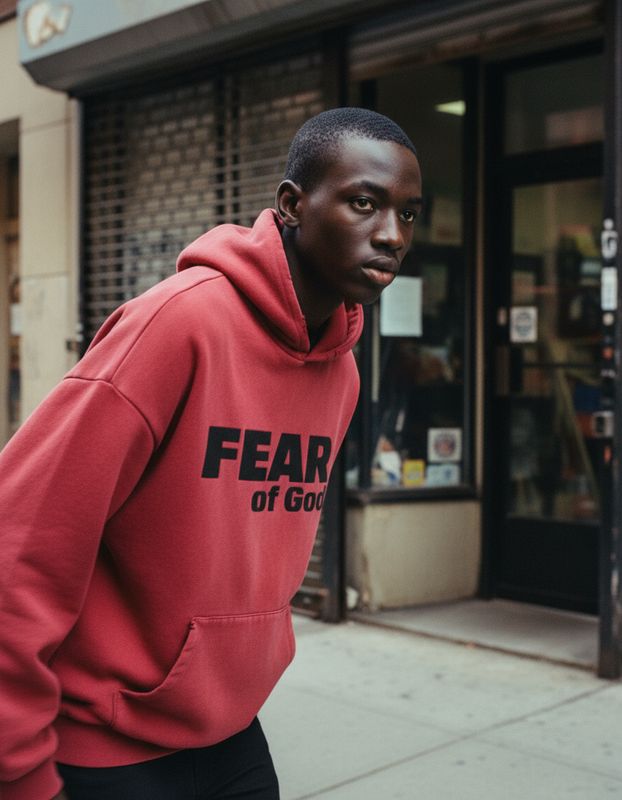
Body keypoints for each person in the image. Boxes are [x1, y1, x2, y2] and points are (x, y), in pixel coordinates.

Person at [0, 107, 422, 800]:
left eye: (409, 214)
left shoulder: (341, 370)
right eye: (364, 203)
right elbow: (22, 545)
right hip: (104, 740)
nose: (392, 235)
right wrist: (18, 770)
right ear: (291, 205)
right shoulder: (178, 325)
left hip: (230, 730)